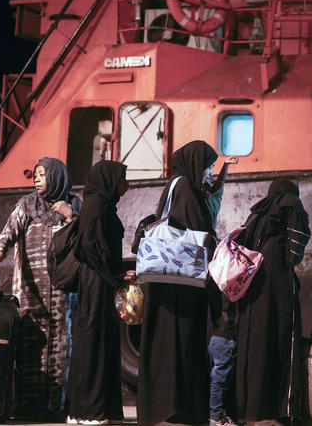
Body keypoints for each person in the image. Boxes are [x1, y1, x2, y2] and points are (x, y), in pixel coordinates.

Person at [0, 157, 81, 420]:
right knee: (31, 340)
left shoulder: (73, 204)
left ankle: (56, 406)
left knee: (61, 341)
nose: (37, 179)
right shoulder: (27, 205)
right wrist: (0, 248)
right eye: (36, 175)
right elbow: (9, 232)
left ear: (56, 177)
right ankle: (28, 406)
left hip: (62, 287)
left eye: (43, 174)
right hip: (31, 287)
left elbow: (86, 235)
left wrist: (70, 215)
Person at [136, 140, 219, 426]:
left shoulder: (178, 185)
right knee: (179, 343)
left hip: (169, 284)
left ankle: (165, 405)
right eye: (208, 166)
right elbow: (199, 229)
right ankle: (175, 407)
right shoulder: (184, 188)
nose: (210, 172)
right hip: (181, 287)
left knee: (166, 343)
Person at [235, 179, 311, 425]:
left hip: (255, 286)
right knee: (281, 341)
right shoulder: (291, 202)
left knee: (256, 344)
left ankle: (252, 409)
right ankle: (280, 410)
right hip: (277, 284)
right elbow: (296, 252)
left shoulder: (257, 212)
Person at [67, 160, 128, 425]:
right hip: (96, 283)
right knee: (93, 340)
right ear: (108, 179)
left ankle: (103, 408)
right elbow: (89, 247)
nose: (126, 184)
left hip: (101, 281)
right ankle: (87, 411)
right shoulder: (96, 205)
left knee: (104, 340)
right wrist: (113, 276)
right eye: (122, 178)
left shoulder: (104, 205)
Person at [206, 156, 239, 426]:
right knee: (221, 375)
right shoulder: (228, 278)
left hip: (215, 333)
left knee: (217, 374)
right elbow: (218, 188)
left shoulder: (213, 274)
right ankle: (217, 416)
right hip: (224, 335)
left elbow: (217, 186)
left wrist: (225, 167)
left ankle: (216, 414)